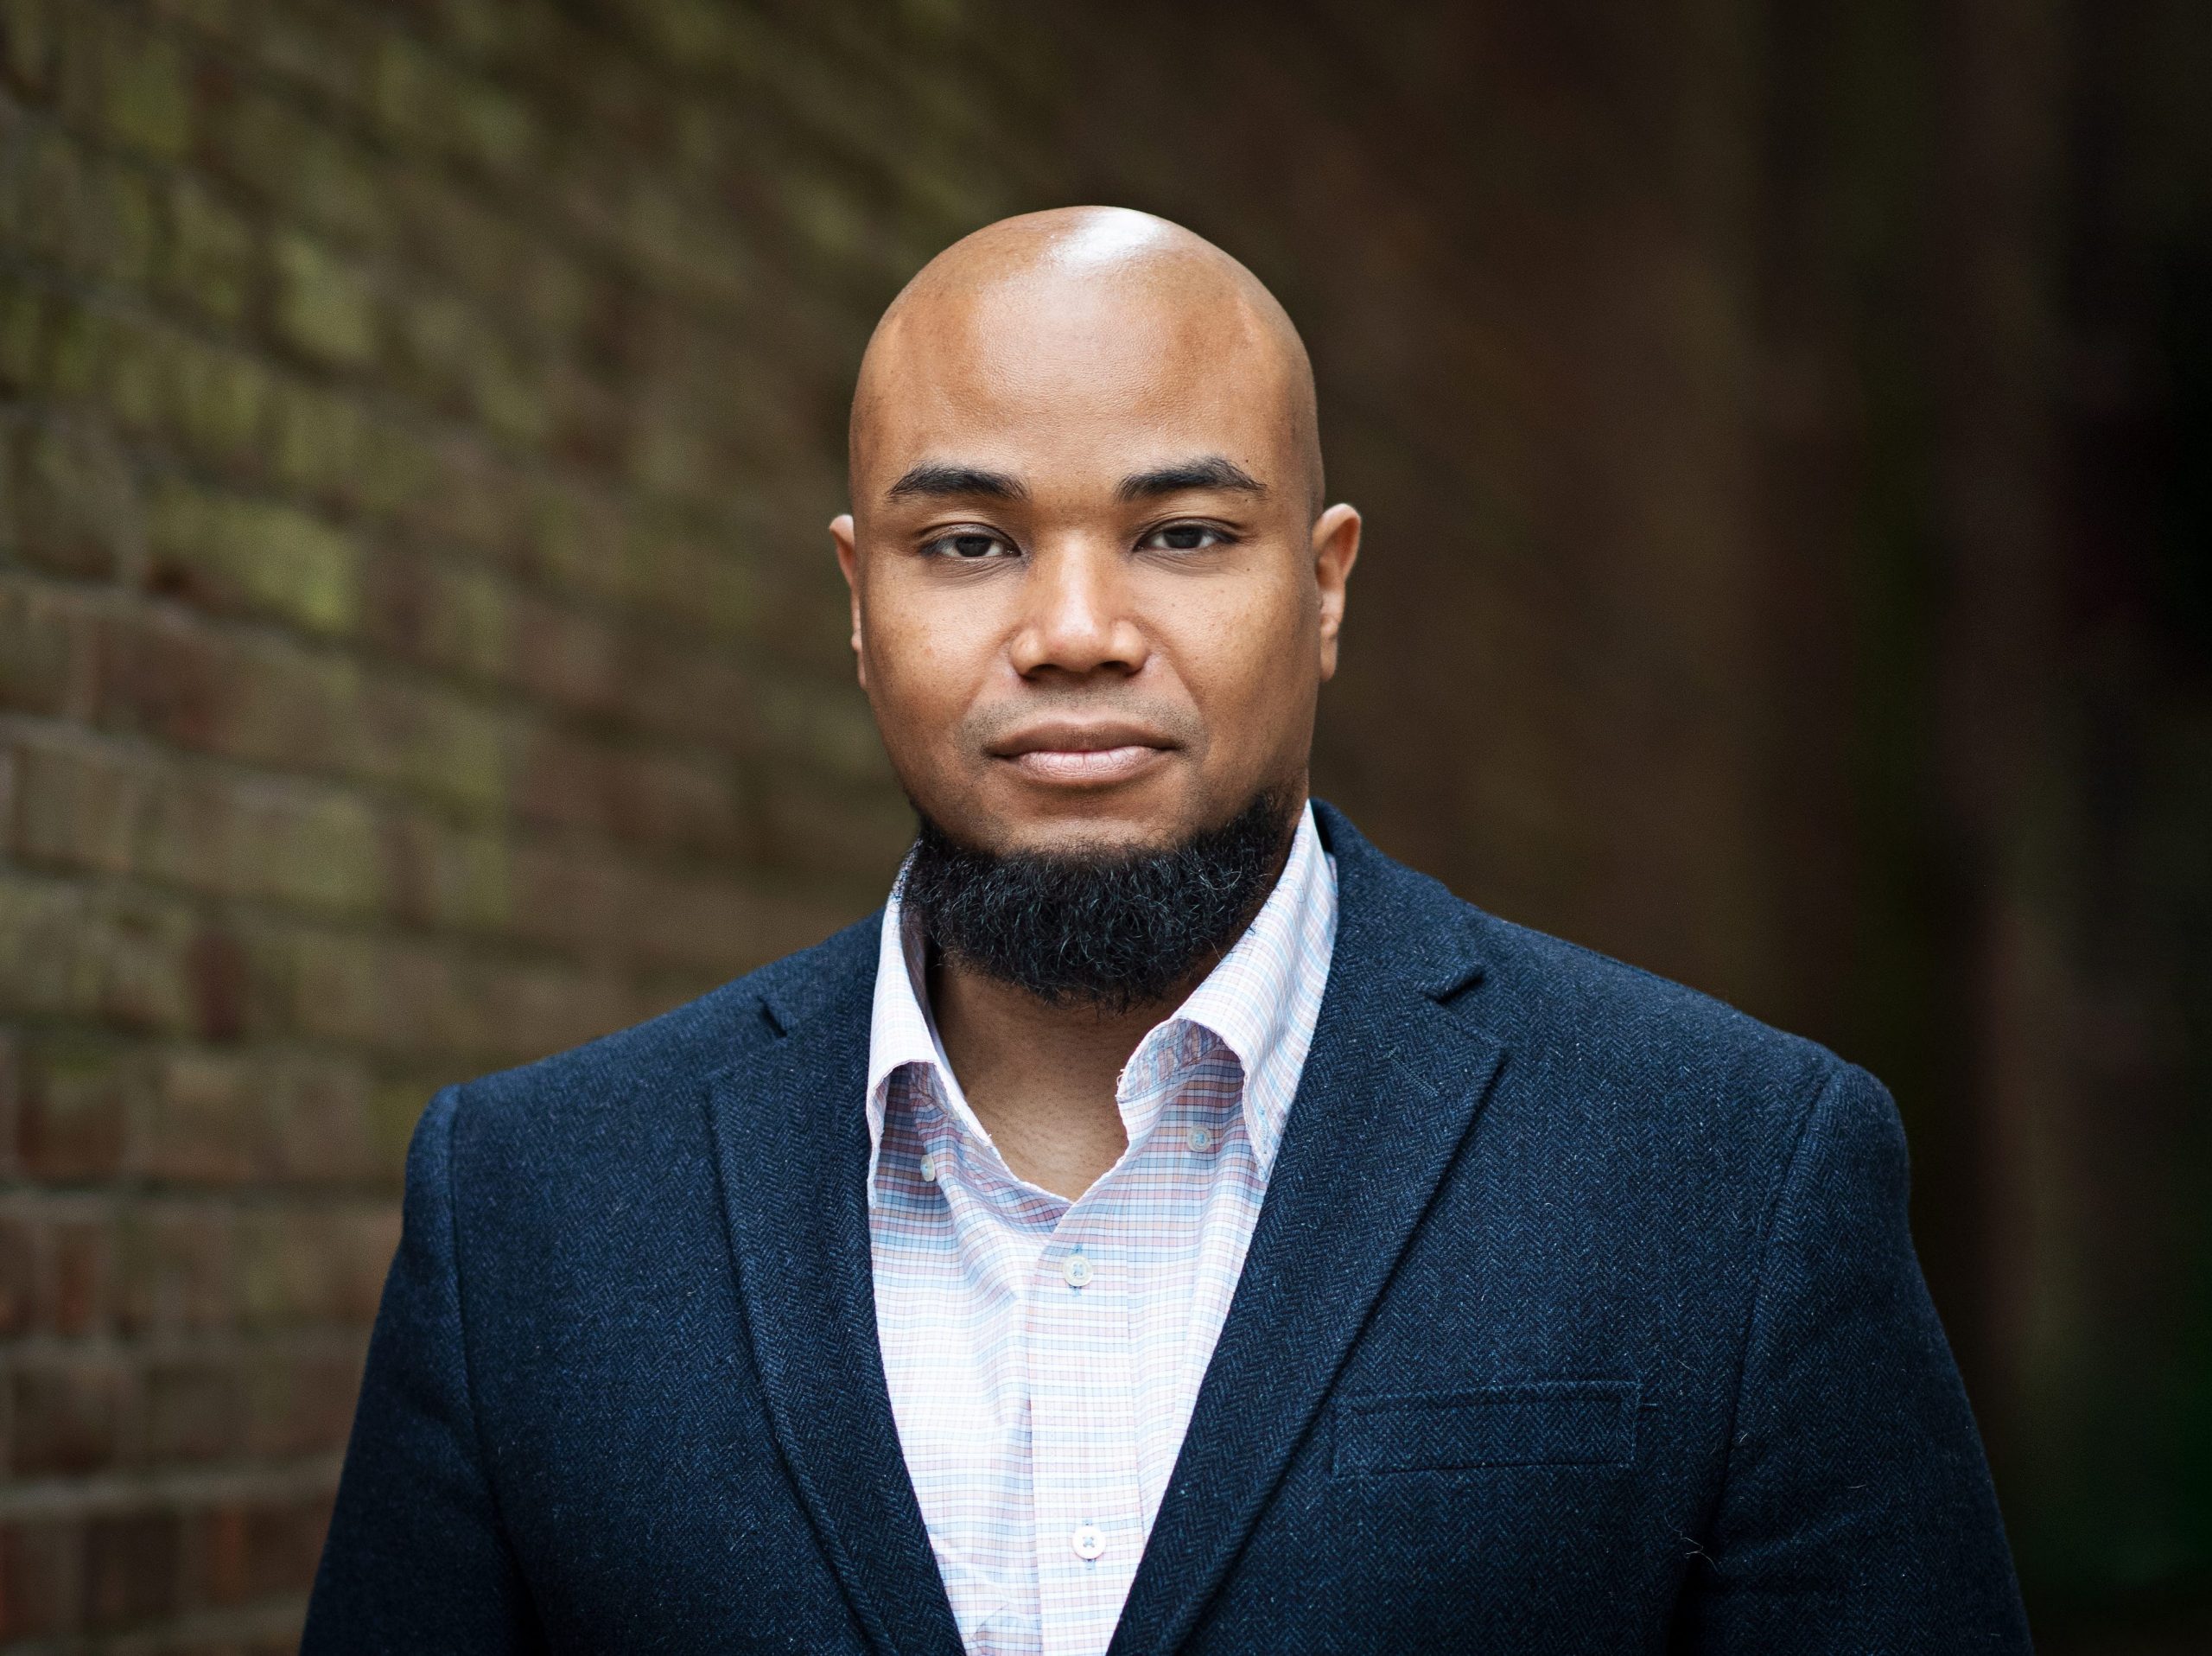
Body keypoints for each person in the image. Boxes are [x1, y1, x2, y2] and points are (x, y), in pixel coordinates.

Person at [305, 207, 2030, 1653]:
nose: (1071, 629)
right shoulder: (526, 1208)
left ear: (1326, 584)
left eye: (1182, 534)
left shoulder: (1728, 1167)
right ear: (857, 601)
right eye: (967, 540)